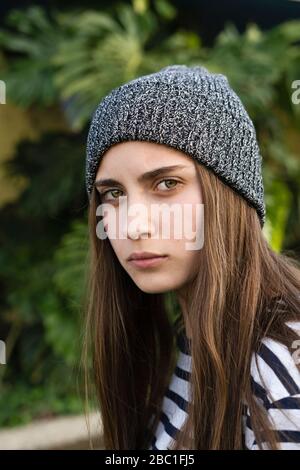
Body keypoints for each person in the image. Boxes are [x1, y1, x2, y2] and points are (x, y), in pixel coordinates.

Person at [82, 65, 300, 450]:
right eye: (113, 194)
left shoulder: (279, 367)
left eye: (167, 184)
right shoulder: (188, 338)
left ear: (231, 194)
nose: (133, 226)